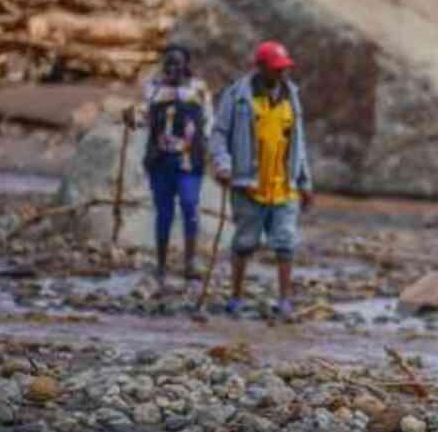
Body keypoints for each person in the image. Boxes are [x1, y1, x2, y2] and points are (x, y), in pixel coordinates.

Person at [210, 40, 313, 318]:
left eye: (284, 69)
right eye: (276, 69)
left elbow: (298, 143)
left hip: (284, 185)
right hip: (249, 185)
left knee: (285, 244)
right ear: (260, 68)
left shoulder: (291, 96)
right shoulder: (238, 96)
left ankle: (285, 301)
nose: (282, 74)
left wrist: (305, 182)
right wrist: (223, 165)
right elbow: (219, 134)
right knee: (244, 243)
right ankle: (236, 297)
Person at [125, 44, 213, 286]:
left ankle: (190, 263)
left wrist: (210, 150)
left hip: (188, 161)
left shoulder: (199, 89)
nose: (172, 67)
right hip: (160, 161)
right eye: (168, 63)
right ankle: (161, 265)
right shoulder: (153, 89)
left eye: (177, 63)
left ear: (187, 65)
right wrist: (132, 117)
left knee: (189, 206)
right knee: (164, 213)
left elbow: (208, 122)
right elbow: (142, 118)